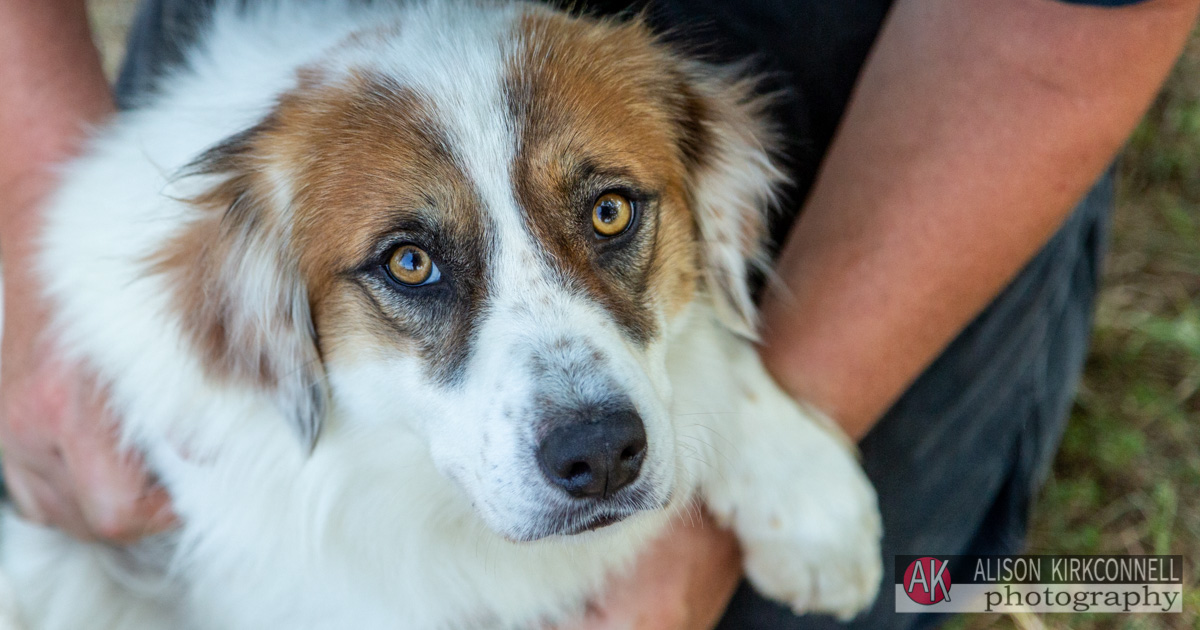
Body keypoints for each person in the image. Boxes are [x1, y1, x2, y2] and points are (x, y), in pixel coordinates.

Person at [0, 0, 1195, 628]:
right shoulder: (235, 280)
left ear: (715, 212)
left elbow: (1073, 26)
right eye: (413, 267)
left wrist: (784, 415)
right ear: (270, 328)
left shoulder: (696, 174)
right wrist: (23, 216)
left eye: (610, 216)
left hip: (906, 39)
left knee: (862, 578)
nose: (586, 414)